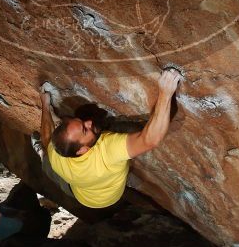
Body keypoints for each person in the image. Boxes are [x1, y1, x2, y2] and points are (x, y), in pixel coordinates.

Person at [38, 68, 182, 209]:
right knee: (130, 130)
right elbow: (150, 140)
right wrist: (166, 92)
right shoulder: (106, 151)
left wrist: (45, 104)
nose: (89, 122)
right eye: (85, 129)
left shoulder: (57, 157)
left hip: (79, 193)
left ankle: (41, 153)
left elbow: (46, 139)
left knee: (48, 165)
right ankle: (41, 153)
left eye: (81, 122)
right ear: (82, 150)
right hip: (109, 196)